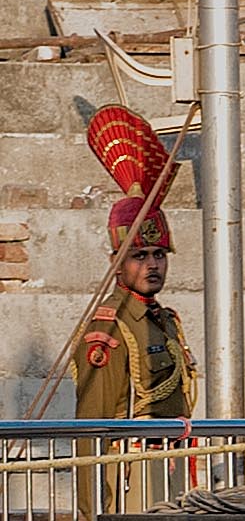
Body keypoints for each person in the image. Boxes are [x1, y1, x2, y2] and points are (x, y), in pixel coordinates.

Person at [70, 105, 197, 425]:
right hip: (132, 472)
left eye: (160, 254)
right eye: (139, 256)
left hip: (169, 466)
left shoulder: (165, 320)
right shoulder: (108, 329)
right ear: (116, 263)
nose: (153, 264)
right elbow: (95, 430)